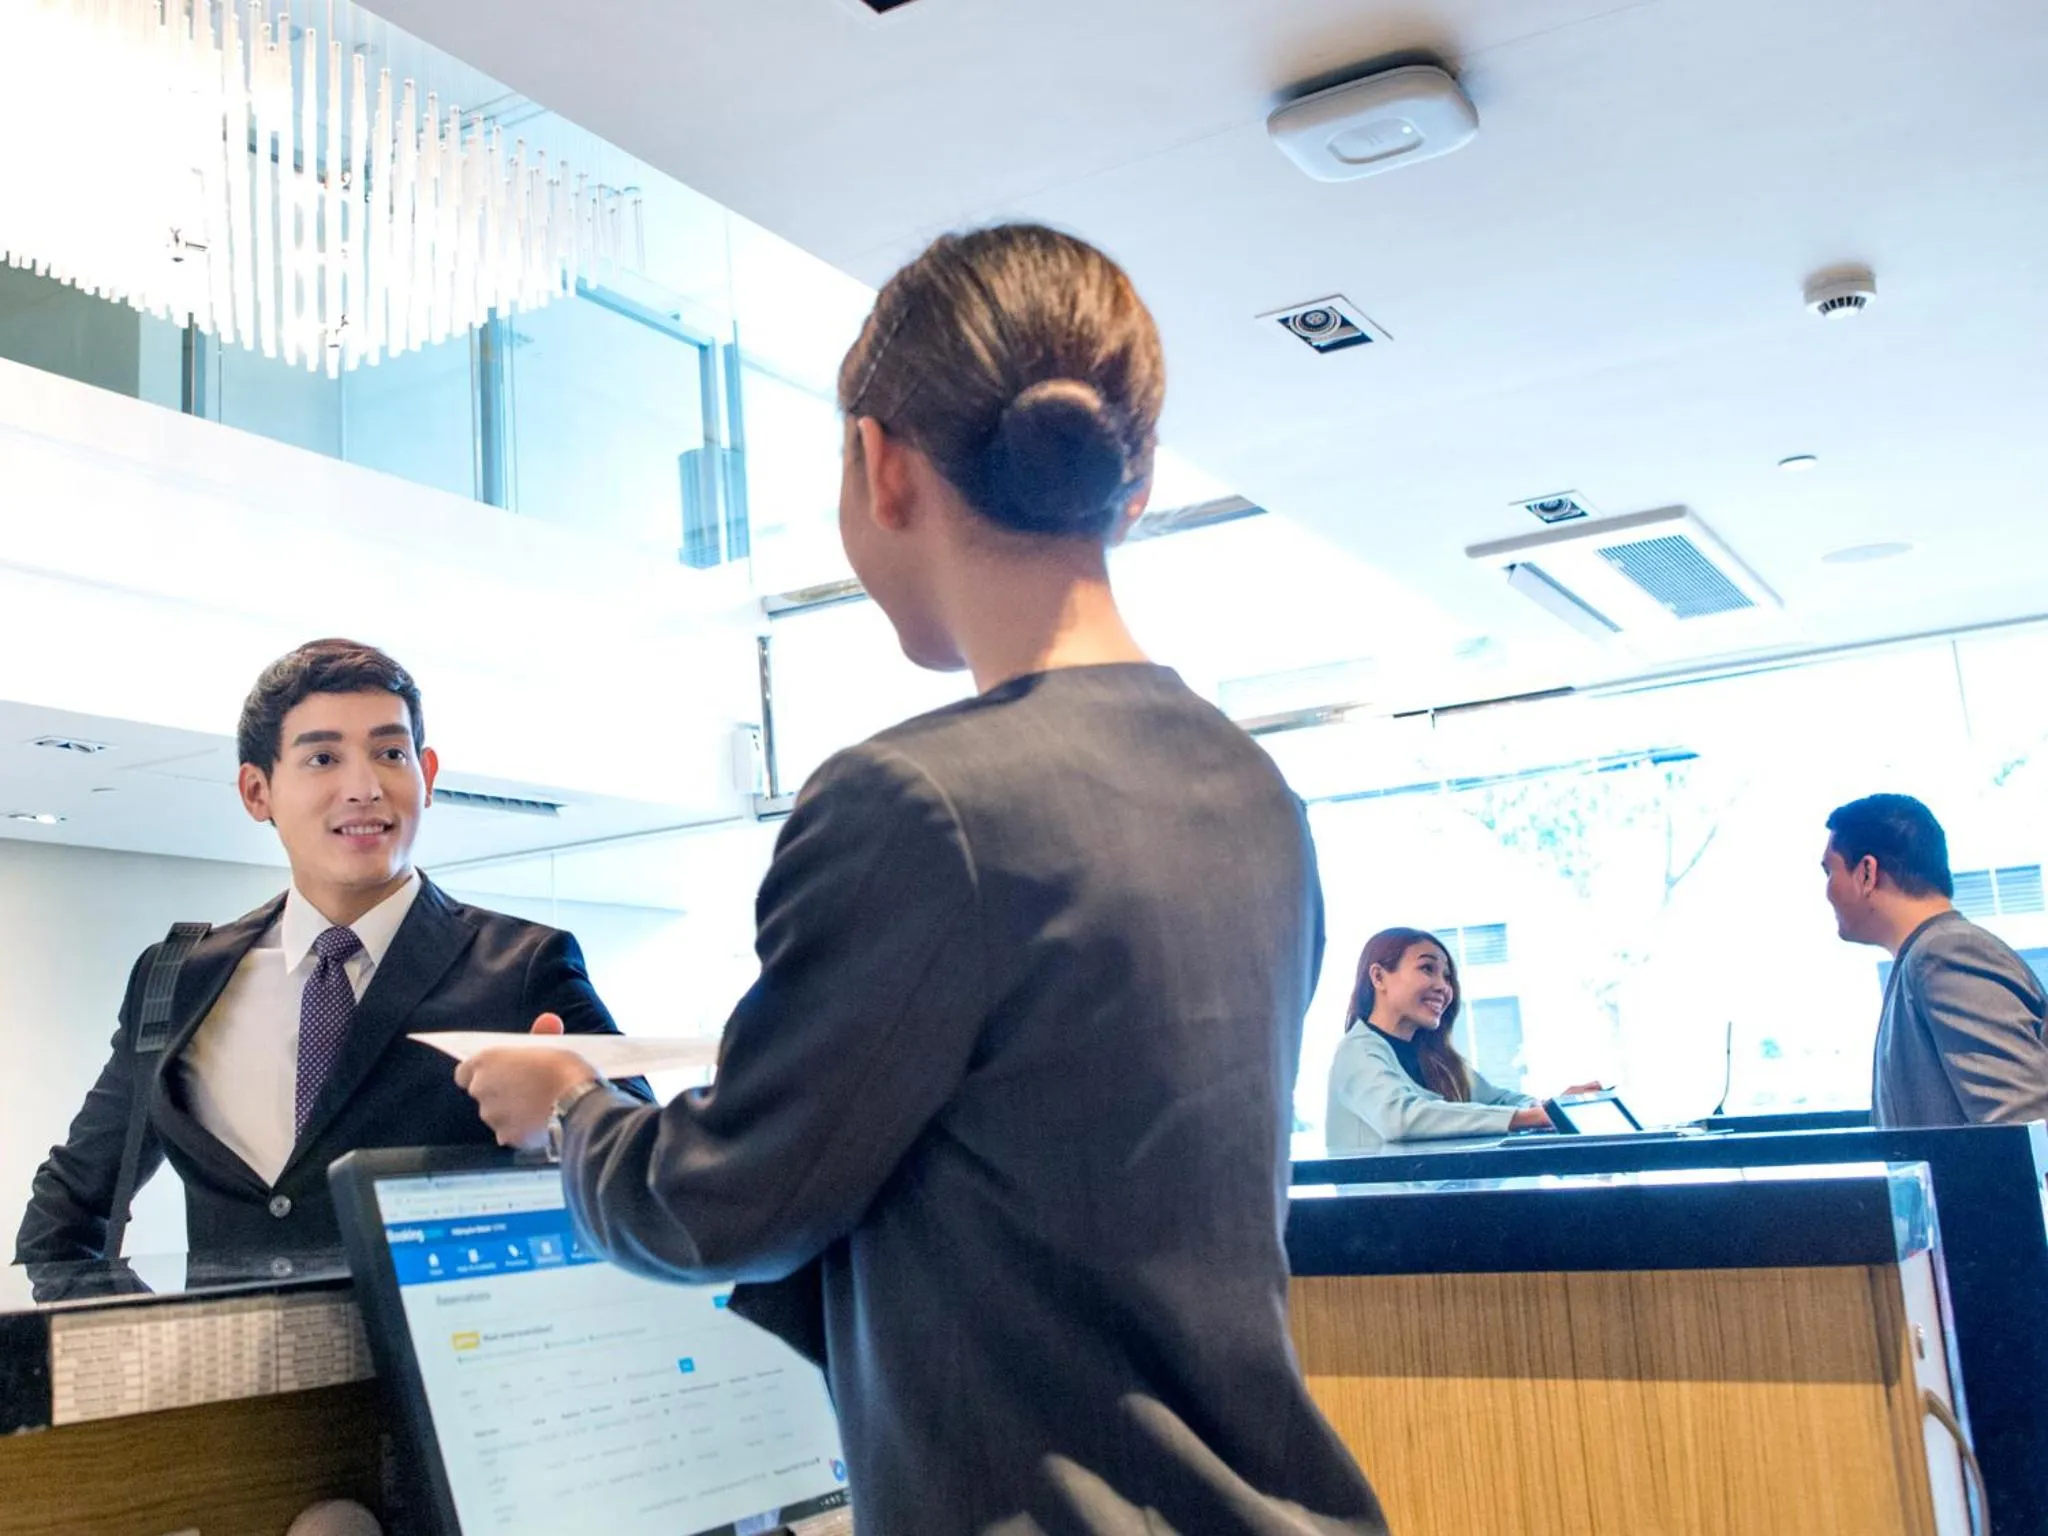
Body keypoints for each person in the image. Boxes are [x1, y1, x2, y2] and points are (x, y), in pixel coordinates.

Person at [456, 224, 1385, 1535]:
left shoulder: (919, 804)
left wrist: (574, 1110)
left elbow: (721, 1206)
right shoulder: (1248, 788)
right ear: (1128, 482)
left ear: (880, 465)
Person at [15, 639, 647, 1263]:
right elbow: (70, 1204)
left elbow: (650, 1181)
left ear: (425, 777)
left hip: (441, 1358)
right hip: (232, 1364)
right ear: (257, 792)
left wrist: (565, 1116)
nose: (365, 787)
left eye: (390, 752)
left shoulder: (523, 967)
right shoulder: (178, 976)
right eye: (323, 759)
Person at [1822, 793, 2048, 1128]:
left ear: (1867, 872)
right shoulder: (1927, 955)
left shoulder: (1945, 954)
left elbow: (2025, 1130)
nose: (1827, 890)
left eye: (1829, 871)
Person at [1324, 928, 1598, 1153]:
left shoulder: (1435, 1057)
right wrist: (1528, 1118)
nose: (1444, 987)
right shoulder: (1357, 1052)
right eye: (1427, 968)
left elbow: (1499, 1100)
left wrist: (1551, 1107)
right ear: (1379, 977)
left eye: (1447, 976)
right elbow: (1402, 1119)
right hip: (1379, 1214)